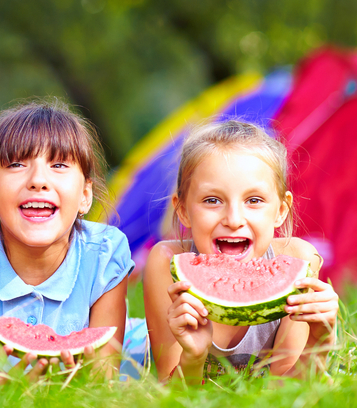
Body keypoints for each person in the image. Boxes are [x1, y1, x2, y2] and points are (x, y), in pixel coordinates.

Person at [0, 101, 133, 396]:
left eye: (59, 165)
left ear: (85, 196)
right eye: (16, 164)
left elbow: (101, 387)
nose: (38, 181)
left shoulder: (105, 254)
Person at [143, 120, 337, 382]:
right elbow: (172, 396)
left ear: (281, 210)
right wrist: (192, 359)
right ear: (182, 210)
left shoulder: (300, 260)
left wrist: (319, 341)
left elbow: (286, 390)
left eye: (253, 200)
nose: (233, 220)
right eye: (212, 200)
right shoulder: (167, 263)